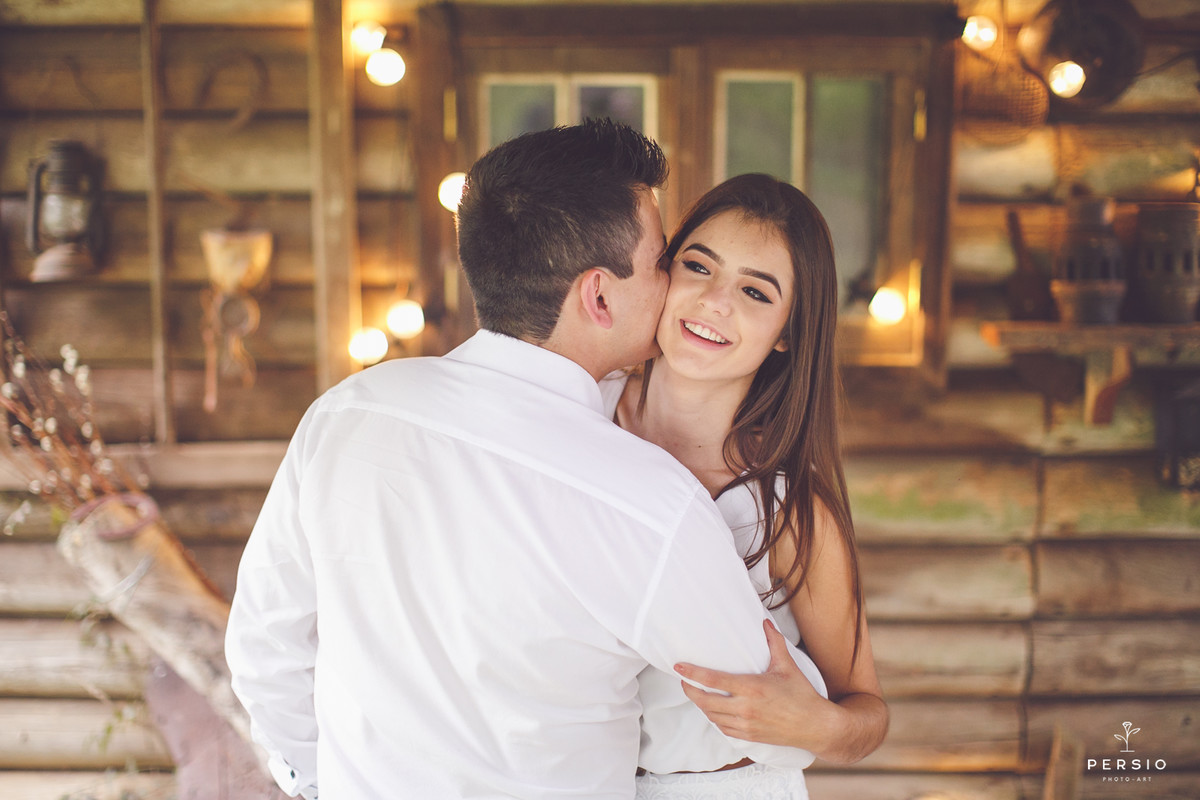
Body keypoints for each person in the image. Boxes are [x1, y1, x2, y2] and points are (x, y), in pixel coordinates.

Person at [224, 121, 825, 800]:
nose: (677, 287)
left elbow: (263, 649)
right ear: (599, 296)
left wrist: (323, 783)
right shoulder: (650, 499)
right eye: (667, 262)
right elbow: (771, 715)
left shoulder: (344, 413)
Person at [603, 174, 889, 797]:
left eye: (756, 291)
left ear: (787, 331)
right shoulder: (575, 417)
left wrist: (819, 725)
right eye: (698, 266)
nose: (714, 301)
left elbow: (866, 713)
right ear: (662, 272)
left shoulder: (788, 512)